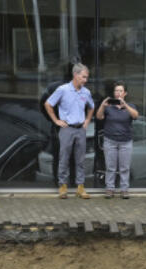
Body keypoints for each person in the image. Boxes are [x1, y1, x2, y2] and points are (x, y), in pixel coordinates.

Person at [44, 63, 95, 199]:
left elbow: (91, 107)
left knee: (80, 159)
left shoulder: (86, 92)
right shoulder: (63, 90)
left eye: (87, 77)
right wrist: (56, 120)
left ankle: (80, 187)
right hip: (67, 129)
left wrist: (87, 120)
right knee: (64, 158)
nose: (85, 80)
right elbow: (48, 104)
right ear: (75, 75)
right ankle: (63, 186)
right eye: (83, 77)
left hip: (80, 130)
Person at [96, 82, 138, 198]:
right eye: (116, 91)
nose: (118, 93)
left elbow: (135, 116)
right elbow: (99, 117)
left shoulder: (131, 106)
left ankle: (124, 189)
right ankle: (110, 189)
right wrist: (102, 106)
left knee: (124, 167)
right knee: (110, 167)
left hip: (126, 141)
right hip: (110, 141)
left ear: (125, 93)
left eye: (120, 91)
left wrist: (125, 105)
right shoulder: (109, 107)